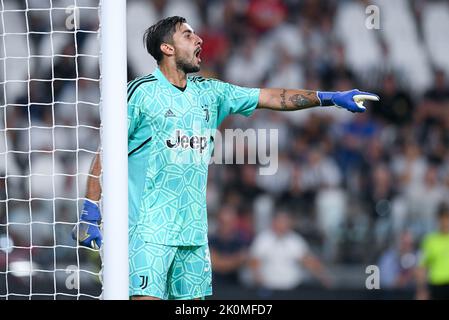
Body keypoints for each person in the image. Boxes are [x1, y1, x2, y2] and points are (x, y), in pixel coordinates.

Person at [72, 16, 378, 300]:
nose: (200, 39)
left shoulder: (210, 93)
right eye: (188, 35)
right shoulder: (140, 93)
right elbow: (107, 151)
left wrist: (327, 98)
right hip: (147, 231)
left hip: (193, 234)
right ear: (167, 48)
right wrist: (89, 209)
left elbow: (272, 97)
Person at [249, 210, 331, 290]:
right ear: (274, 222)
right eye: (280, 221)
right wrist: (257, 276)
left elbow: (307, 261)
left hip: (292, 287)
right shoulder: (263, 239)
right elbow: (255, 261)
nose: (283, 224)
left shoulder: (295, 240)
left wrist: (323, 276)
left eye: (286, 222)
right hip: (268, 287)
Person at [415, 204, 449, 300]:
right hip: (436, 286)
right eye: (442, 218)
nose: (445, 222)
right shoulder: (430, 240)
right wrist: (421, 290)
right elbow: (422, 266)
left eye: (447, 218)